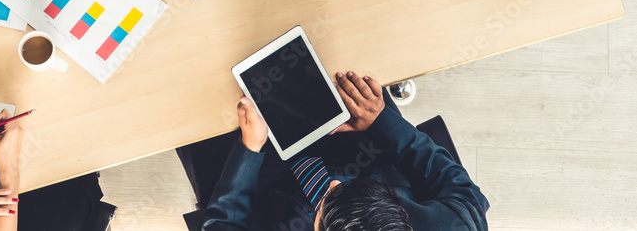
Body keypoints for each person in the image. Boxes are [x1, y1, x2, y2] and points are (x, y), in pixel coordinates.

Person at [178, 72, 488, 230]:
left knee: (198, 96)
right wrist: (381, 121)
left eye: (329, 198)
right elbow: (464, 192)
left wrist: (250, 149)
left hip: (269, 187)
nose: (334, 182)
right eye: (345, 188)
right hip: (363, 144)